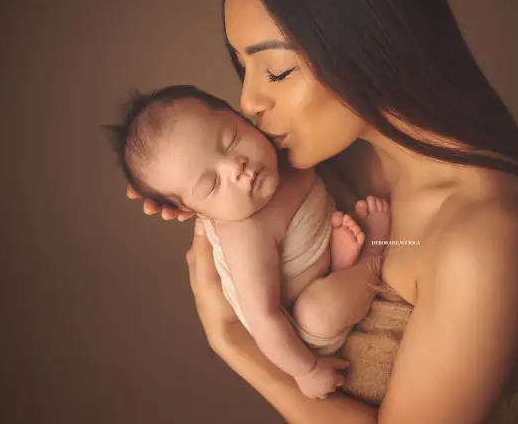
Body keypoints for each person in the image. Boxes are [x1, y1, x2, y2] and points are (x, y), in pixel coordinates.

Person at [127, 0, 518, 424]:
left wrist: (231, 340)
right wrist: (193, 191)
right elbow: (267, 245)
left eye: (277, 71)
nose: (248, 101)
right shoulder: (317, 165)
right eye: (241, 67)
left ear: (366, 43)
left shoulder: (484, 235)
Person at [104, 84, 392, 399]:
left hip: (319, 257)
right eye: (211, 184)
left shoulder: (285, 157)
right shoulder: (244, 233)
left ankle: (338, 264)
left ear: (241, 118)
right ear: (190, 210)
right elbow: (264, 316)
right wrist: (306, 370)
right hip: (299, 331)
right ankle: (371, 256)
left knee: (336, 219)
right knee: (318, 312)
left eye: (231, 139)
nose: (234, 166)